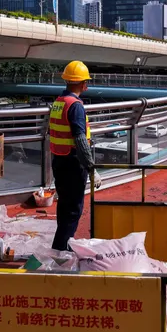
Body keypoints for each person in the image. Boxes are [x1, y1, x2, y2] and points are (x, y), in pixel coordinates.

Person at [49, 60, 102, 251]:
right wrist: (91, 168)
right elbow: (80, 140)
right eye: (86, 81)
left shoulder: (58, 103)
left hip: (58, 161)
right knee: (73, 211)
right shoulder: (76, 106)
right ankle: (61, 251)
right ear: (82, 83)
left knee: (64, 207)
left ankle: (62, 245)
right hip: (72, 164)